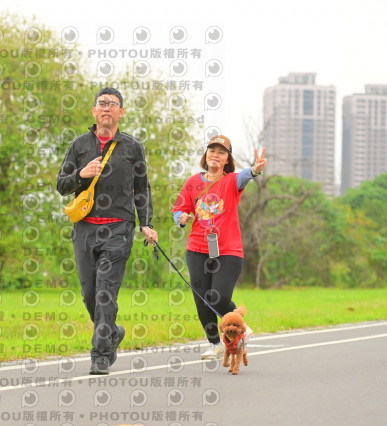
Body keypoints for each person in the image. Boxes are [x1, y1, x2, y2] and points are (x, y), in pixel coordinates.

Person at [56, 87, 158, 375]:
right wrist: (81, 174)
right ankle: (111, 332)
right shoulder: (78, 145)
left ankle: (100, 355)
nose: (106, 108)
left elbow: (142, 189)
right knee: (90, 293)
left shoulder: (133, 147)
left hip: (118, 229)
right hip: (85, 228)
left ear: (121, 112)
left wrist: (146, 223)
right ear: (94, 110)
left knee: (105, 292)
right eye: (102, 103)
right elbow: (61, 184)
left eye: (112, 104)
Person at [172, 135, 267, 359]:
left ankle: (240, 326)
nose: (215, 155)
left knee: (218, 297)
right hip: (197, 248)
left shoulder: (231, 181)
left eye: (221, 152)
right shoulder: (192, 182)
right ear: (206, 154)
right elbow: (178, 209)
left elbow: (245, 176)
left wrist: (255, 170)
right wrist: (181, 218)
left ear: (227, 159)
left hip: (228, 251)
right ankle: (215, 343)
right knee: (201, 298)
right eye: (212, 150)